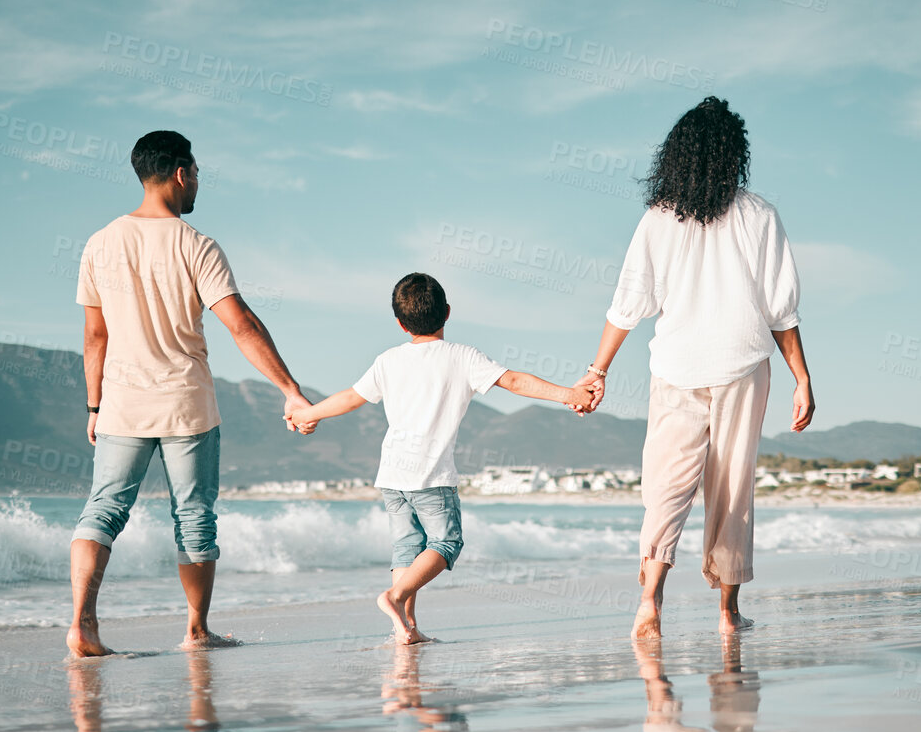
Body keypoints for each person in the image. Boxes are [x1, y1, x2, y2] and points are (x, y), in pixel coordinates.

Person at [571, 97, 814, 639]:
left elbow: (628, 304)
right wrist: (802, 377)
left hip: (677, 368)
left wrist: (598, 370)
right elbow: (781, 309)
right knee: (731, 490)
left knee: (665, 486)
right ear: (734, 154)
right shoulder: (758, 214)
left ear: (677, 154)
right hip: (743, 365)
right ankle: (727, 614)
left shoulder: (658, 218)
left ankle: (649, 603)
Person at [68, 130, 312, 656]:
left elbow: (95, 336)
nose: (198, 182)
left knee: (103, 509)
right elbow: (241, 324)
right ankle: (197, 630)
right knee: (194, 515)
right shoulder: (196, 244)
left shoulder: (99, 243)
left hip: (122, 404)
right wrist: (290, 390)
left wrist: (93, 405)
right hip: (186, 404)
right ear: (181, 173)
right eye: (197, 172)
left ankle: (83, 623)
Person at [286, 273, 594, 643]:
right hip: (432, 476)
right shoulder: (462, 357)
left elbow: (351, 397)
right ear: (447, 312)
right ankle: (395, 598)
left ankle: (406, 628)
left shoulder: (388, 360)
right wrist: (569, 394)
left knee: (407, 549)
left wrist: (308, 414)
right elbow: (513, 381)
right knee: (447, 544)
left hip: (392, 475)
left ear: (400, 323)